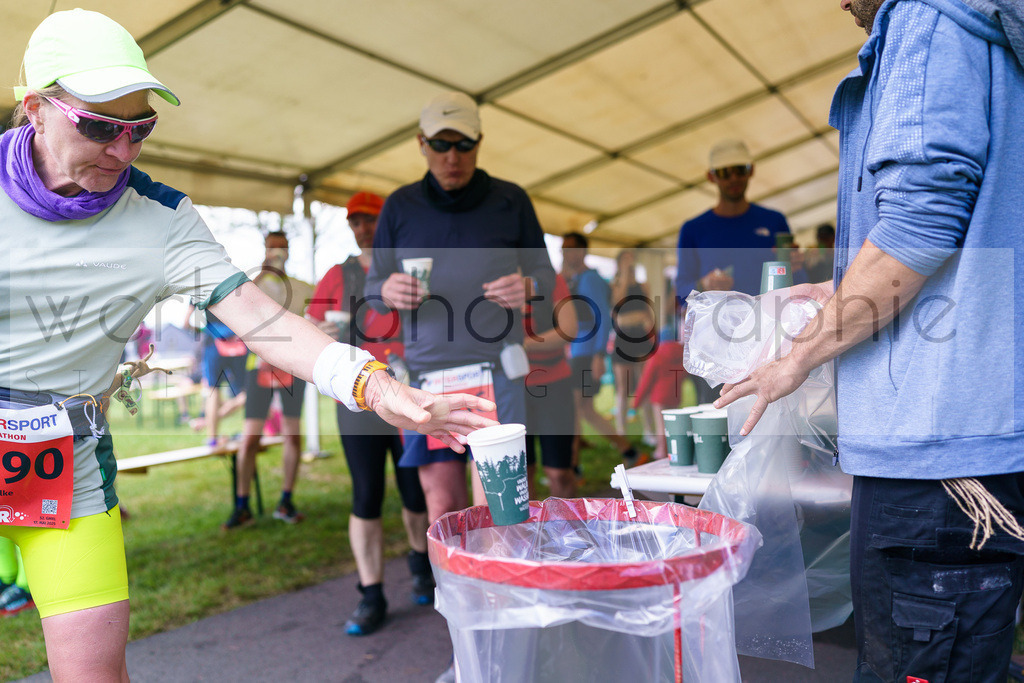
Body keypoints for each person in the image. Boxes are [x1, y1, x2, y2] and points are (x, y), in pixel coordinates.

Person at [0, 12, 494, 681]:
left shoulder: (162, 220)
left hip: (66, 467)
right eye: (97, 126)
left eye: (139, 128)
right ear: (34, 108)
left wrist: (377, 386)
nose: (121, 150)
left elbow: (263, 319)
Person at [716, 1, 1024, 680]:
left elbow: (920, 225)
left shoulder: (929, 16)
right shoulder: (984, 30)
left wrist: (795, 358)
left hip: (938, 457)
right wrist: (833, 294)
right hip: (977, 442)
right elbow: (964, 246)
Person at [364, 91, 555, 683]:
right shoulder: (399, 206)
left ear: (478, 144)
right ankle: (469, 639)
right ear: (422, 146)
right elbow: (374, 291)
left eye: (464, 144)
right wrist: (386, 293)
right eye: (441, 145)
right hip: (425, 381)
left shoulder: (510, 201)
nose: (453, 156)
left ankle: (515, 631)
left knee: (503, 507)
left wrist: (528, 286)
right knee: (442, 507)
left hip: (497, 369)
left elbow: (546, 279)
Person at [307, 191, 434, 636]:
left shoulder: (407, 271)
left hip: (405, 393)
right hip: (357, 399)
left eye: (371, 219)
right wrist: (325, 325)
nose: (363, 227)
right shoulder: (337, 275)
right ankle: (371, 593)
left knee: (415, 491)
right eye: (355, 220)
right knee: (366, 495)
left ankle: (422, 567)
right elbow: (312, 327)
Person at [675, 138, 795, 404]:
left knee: (773, 414)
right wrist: (704, 284)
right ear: (711, 177)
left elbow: (795, 281)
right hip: (715, 341)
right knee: (716, 415)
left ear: (751, 170)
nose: (733, 179)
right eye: (724, 173)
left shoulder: (774, 222)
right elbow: (681, 287)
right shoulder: (694, 229)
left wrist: (799, 265)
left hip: (767, 336)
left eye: (739, 170)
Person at [223, 231, 315, 528]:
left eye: (281, 247)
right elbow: (237, 303)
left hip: (292, 366)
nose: (277, 251)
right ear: (265, 249)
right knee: (249, 438)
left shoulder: (300, 288)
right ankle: (242, 504)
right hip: (259, 365)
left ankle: (286, 500)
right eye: (272, 246)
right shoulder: (254, 284)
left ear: (289, 249)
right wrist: (262, 272)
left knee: (292, 434)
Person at [559, 232, 644, 466]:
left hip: (586, 353)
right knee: (585, 410)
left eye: (571, 248)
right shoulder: (573, 279)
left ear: (583, 251)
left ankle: (572, 466)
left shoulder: (590, 279)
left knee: (575, 409)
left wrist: (598, 356)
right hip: (577, 352)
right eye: (563, 248)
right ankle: (627, 450)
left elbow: (603, 318)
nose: (566, 253)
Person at [522, 272, 578, 498]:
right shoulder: (490, 277)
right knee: (521, 475)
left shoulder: (551, 279)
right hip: (512, 390)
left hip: (554, 384)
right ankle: (528, 533)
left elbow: (568, 330)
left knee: (559, 473)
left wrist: (520, 345)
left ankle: (568, 531)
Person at [608, 248, 657, 441]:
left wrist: (630, 318)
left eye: (632, 260)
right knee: (623, 388)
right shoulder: (615, 285)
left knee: (644, 385)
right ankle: (621, 433)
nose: (630, 264)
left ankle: (649, 430)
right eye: (626, 261)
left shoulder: (643, 285)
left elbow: (647, 313)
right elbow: (618, 303)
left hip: (641, 339)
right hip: (622, 340)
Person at [186, 305, 248, 446]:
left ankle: (212, 438)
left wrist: (204, 330)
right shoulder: (234, 284)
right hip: (237, 343)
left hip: (213, 343)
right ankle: (248, 433)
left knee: (213, 390)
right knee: (245, 393)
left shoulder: (199, 288)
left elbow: (186, 322)